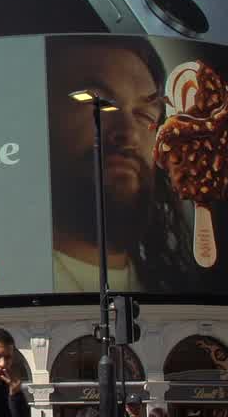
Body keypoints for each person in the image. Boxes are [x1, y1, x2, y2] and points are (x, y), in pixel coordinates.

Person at [46, 36, 203, 294]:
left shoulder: (173, 289)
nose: (129, 134)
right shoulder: (2, 281)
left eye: (144, 115)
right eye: (97, 102)